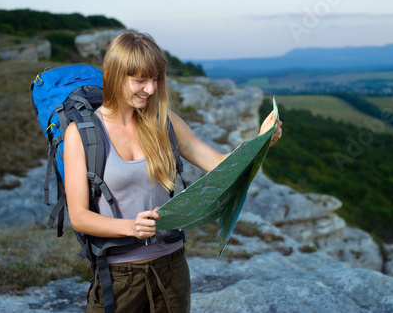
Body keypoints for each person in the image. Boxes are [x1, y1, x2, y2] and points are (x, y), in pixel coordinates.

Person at [64, 30, 282, 313]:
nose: (151, 89)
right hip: (119, 275)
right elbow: (79, 217)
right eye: (140, 80)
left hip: (172, 268)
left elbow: (223, 167)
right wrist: (129, 227)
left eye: (155, 79)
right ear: (115, 75)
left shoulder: (164, 122)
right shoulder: (82, 134)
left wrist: (260, 142)